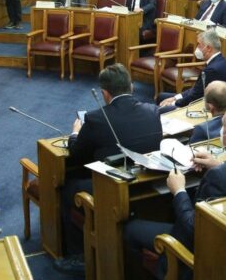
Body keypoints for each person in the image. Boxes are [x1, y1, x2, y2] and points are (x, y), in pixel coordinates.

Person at [124, 102, 226, 255]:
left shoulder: (218, 176)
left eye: (223, 127)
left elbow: (193, 229)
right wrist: (220, 165)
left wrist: (179, 191)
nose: (221, 131)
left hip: (209, 250)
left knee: (131, 229)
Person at [57, 64, 164, 267]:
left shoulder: (95, 119)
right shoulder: (152, 111)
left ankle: (77, 255)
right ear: (131, 87)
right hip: (147, 183)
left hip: (111, 186)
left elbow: (77, 154)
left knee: (67, 187)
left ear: (105, 94)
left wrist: (75, 133)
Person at [158, 29, 226, 109]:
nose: (197, 48)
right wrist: (175, 97)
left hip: (200, 106)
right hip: (201, 99)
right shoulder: (221, 60)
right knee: (162, 96)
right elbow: (196, 89)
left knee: (162, 102)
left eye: (199, 45)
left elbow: (195, 97)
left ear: (208, 48)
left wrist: (173, 103)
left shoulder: (212, 70)